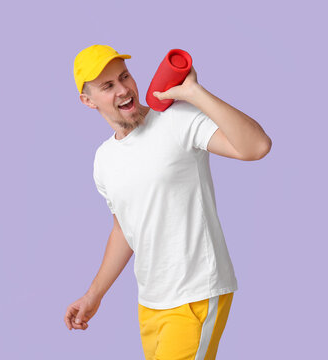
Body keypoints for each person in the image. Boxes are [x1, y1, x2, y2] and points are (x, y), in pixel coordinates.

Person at [64, 44, 272, 360]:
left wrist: (195, 93)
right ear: (87, 100)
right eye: (108, 86)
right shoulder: (103, 160)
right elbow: (125, 230)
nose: (123, 90)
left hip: (195, 292)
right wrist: (94, 295)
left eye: (124, 76)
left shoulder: (176, 121)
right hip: (151, 302)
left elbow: (256, 147)